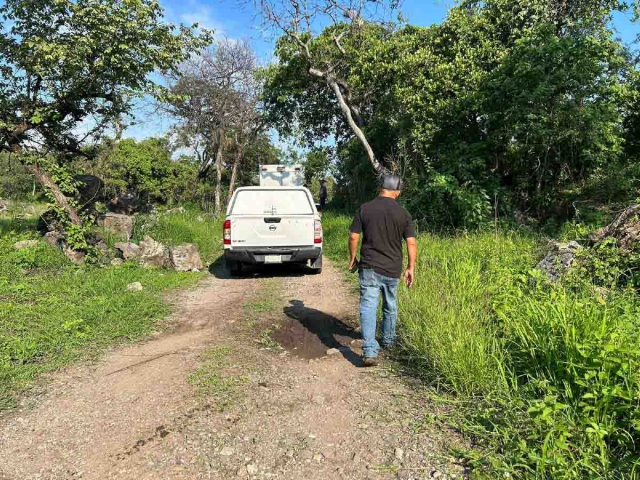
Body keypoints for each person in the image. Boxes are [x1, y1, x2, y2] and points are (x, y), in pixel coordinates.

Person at [348, 174, 417, 367]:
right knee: (390, 304)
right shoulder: (403, 213)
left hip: (369, 266)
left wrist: (353, 258)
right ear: (397, 191)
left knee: (368, 306)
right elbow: (411, 242)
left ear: (381, 188)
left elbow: (354, 236)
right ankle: (388, 341)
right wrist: (411, 267)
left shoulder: (365, 208)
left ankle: (370, 350)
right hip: (392, 268)